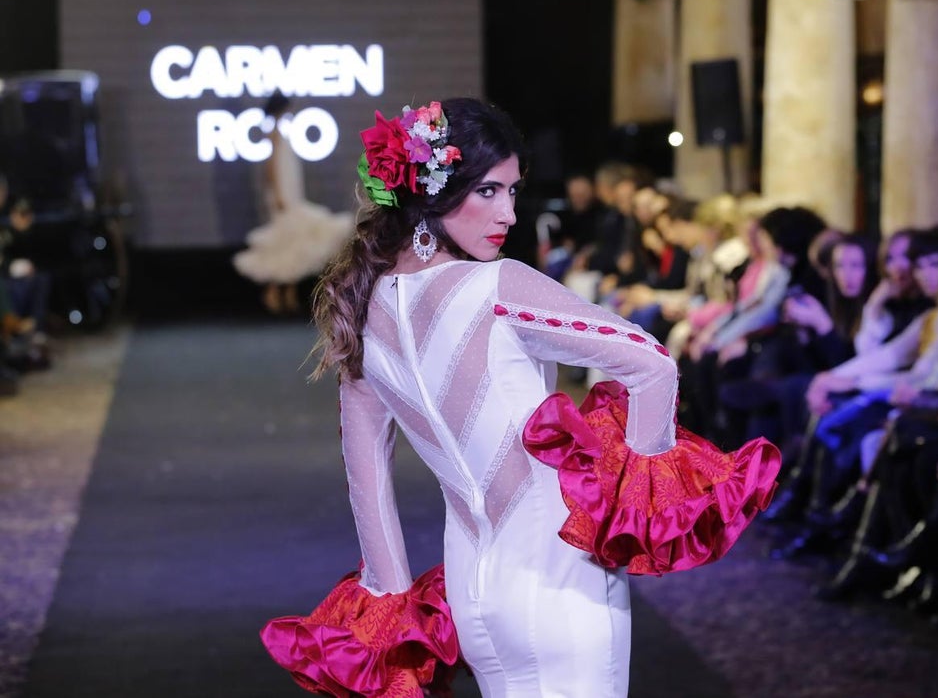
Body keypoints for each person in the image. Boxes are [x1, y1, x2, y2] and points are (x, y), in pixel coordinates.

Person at [259, 98, 780, 698]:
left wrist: (391, 597)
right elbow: (654, 366)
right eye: (488, 191)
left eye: (513, 191)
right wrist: (626, 509)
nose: (507, 212)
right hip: (562, 573)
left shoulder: (364, 309)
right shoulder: (498, 284)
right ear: (433, 192)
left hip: (471, 586)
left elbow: (366, 478)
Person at [233, 92, 354, 314]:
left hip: (289, 193)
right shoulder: (274, 134)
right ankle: (274, 293)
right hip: (283, 196)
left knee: (292, 242)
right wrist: (278, 193)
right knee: (287, 240)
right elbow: (271, 167)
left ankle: (284, 293)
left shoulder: (278, 132)